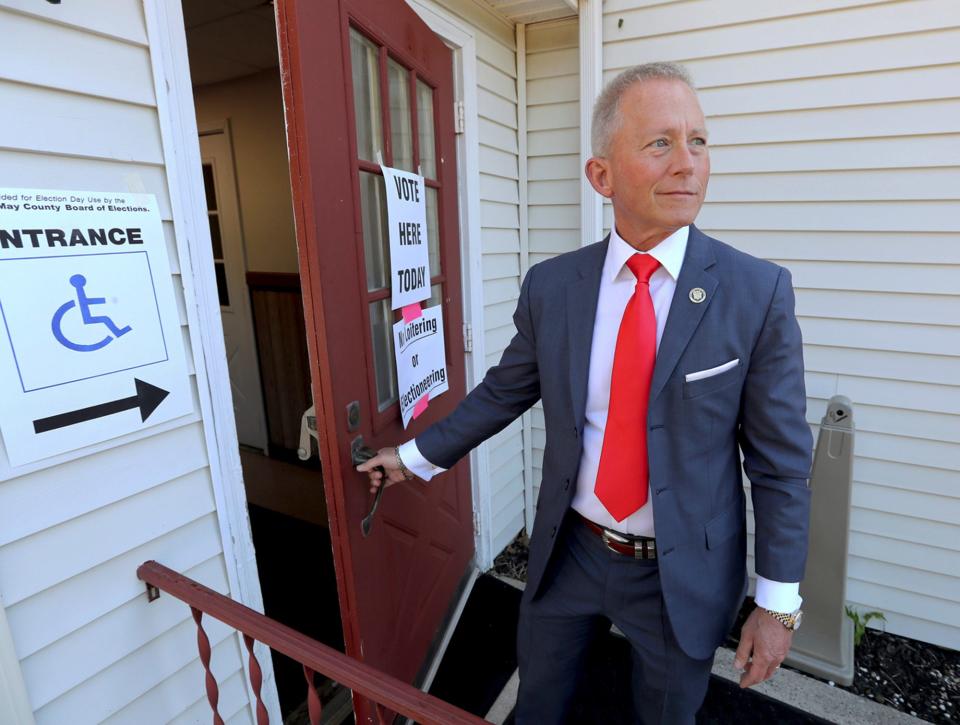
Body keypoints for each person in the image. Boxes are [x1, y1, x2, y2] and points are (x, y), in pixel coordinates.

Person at [358, 61, 812, 724]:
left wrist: (776, 604)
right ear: (601, 175)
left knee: (665, 715)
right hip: (571, 550)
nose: (687, 163)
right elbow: (503, 391)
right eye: (659, 143)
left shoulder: (755, 293)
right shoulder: (555, 287)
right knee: (539, 703)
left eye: (699, 141)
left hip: (678, 572)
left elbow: (780, 463)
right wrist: (414, 457)